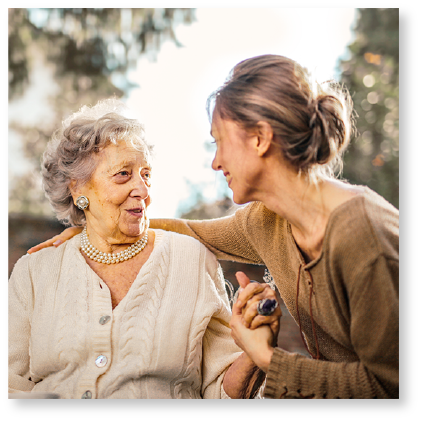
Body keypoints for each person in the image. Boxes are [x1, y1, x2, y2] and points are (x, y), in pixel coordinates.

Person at [28, 54, 399, 399]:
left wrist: (268, 360)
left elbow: (388, 384)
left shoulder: (362, 235)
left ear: (260, 138)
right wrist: (95, 228)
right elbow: (193, 231)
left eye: (219, 142)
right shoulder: (267, 221)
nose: (216, 162)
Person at [9, 98, 277, 399]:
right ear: (78, 188)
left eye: (146, 174)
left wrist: (256, 353)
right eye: (123, 174)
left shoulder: (192, 260)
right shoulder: (33, 272)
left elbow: (221, 390)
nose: (143, 190)